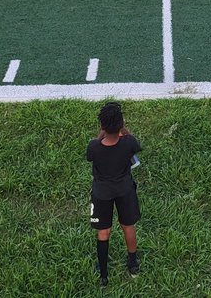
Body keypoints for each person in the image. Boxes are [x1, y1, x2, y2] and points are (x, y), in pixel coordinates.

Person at [87, 101, 141, 287]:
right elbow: (135, 144)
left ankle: (103, 274)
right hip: (125, 190)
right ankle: (133, 262)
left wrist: (102, 132)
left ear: (102, 126)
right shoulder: (128, 143)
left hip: (102, 193)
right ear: (121, 124)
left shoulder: (94, 147)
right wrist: (123, 129)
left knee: (104, 231)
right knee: (128, 225)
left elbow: (93, 150)